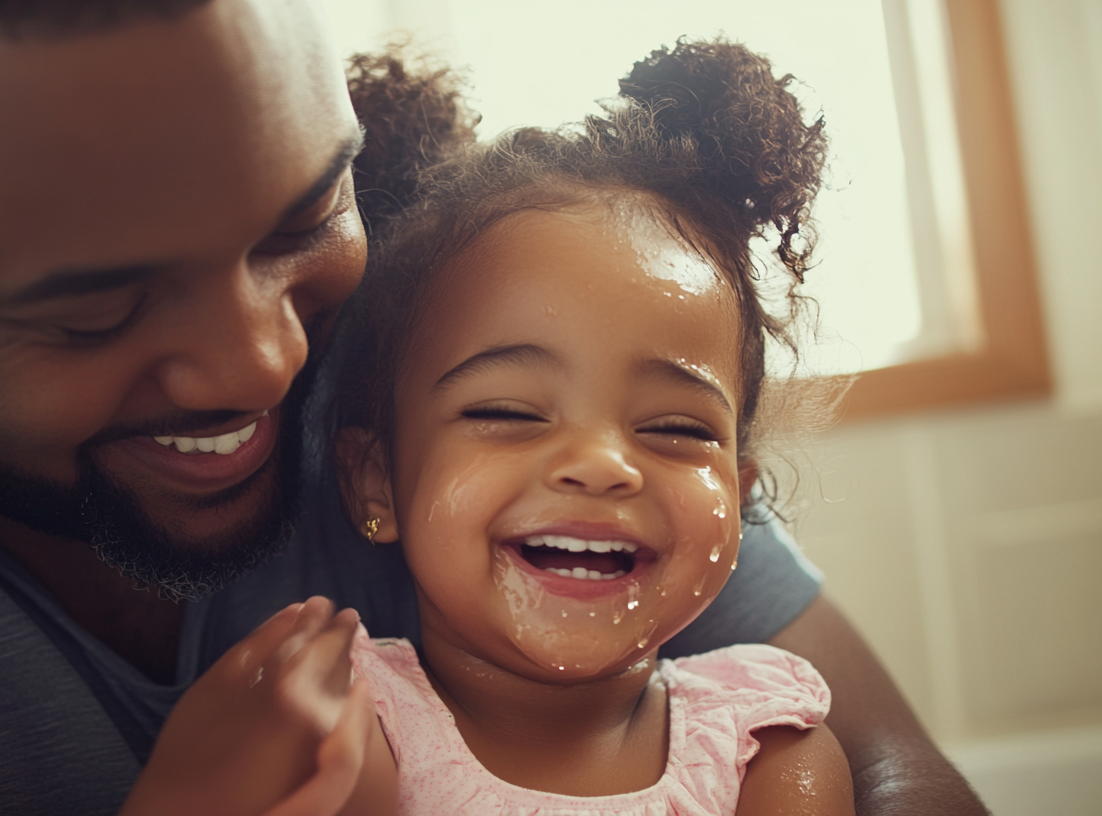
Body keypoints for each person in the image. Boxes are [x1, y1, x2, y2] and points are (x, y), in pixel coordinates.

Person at [0, 0, 985, 814]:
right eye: (94, 310)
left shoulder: (445, 310)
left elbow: (896, 773)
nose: (262, 367)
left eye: (303, 219)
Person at [324, 40, 851, 815]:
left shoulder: (768, 748)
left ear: (740, 502)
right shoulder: (347, 724)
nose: (602, 463)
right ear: (378, 480)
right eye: (505, 412)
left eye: (675, 428)